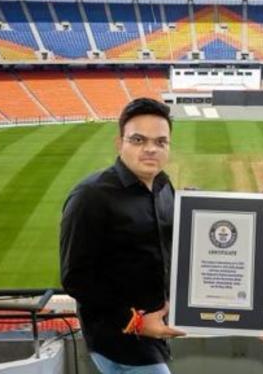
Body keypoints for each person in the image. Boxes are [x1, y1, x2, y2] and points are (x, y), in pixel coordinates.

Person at [60, 98, 184, 374]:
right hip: (117, 336)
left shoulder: (164, 186)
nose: (151, 149)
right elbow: (76, 279)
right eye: (138, 140)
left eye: (161, 142)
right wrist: (136, 321)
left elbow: (172, 244)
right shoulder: (90, 196)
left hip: (154, 330)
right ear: (120, 143)